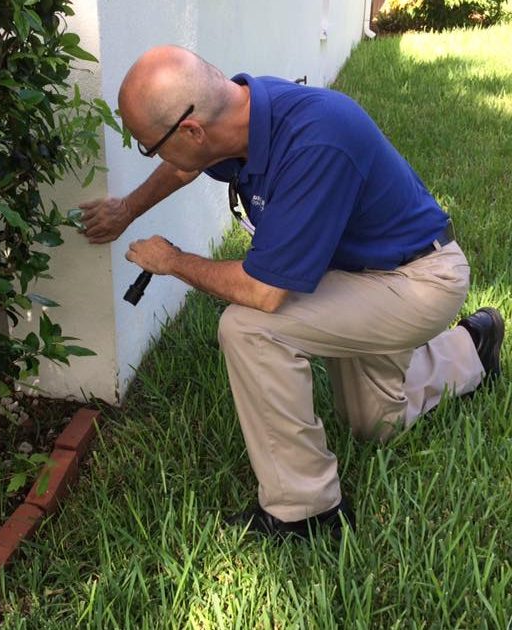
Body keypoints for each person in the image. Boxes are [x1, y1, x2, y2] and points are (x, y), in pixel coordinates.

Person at [80, 45, 505, 540]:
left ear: (192, 130)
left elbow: (263, 292)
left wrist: (173, 261)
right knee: (374, 423)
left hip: (417, 281)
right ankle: (472, 347)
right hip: (354, 274)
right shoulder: (237, 118)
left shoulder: (316, 140)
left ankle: (306, 508)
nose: (152, 155)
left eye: (148, 145)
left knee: (250, 326)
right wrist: (127, 209)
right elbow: (184, 165)